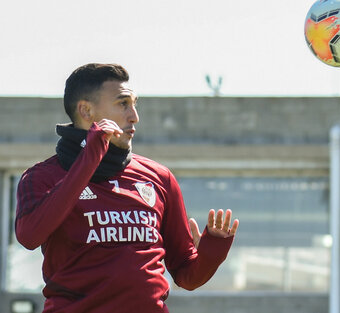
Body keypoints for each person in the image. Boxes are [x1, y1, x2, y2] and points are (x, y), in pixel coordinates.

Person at [15, 63, 239, 313]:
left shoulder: (159, 177)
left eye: (134, 104)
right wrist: (90, 157)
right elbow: (29, 236)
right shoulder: (42, 177)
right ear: (86, 111)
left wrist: (211, 254)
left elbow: (187, 276)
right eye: (123, 104)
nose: (134, 115)